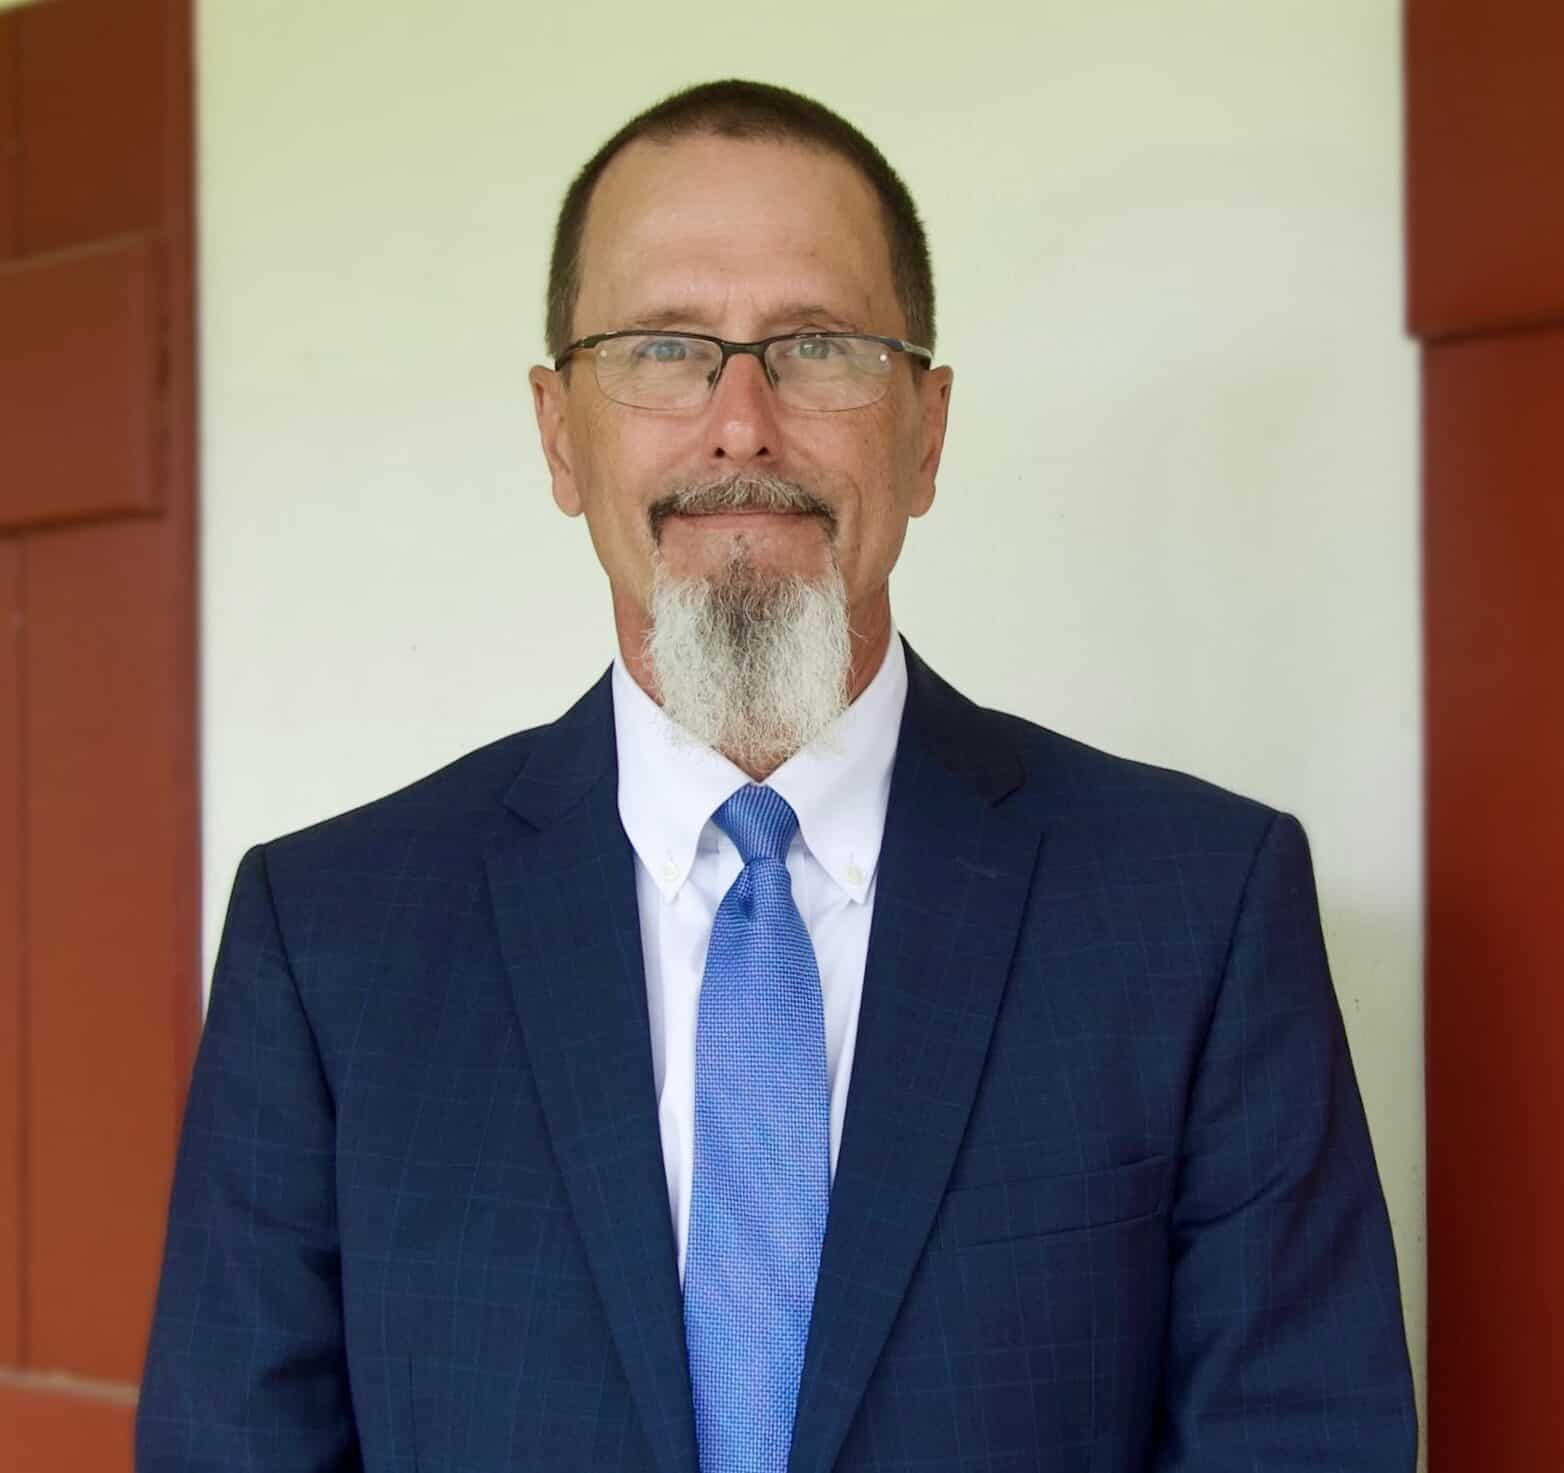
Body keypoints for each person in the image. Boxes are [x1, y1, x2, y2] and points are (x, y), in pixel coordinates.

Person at [137, 79, 1416, 1473]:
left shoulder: (1197, 912)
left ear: (925, 431)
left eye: (817, 345)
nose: (740, 423)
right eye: (664, 347)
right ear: (559, 434)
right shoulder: (328, 942)